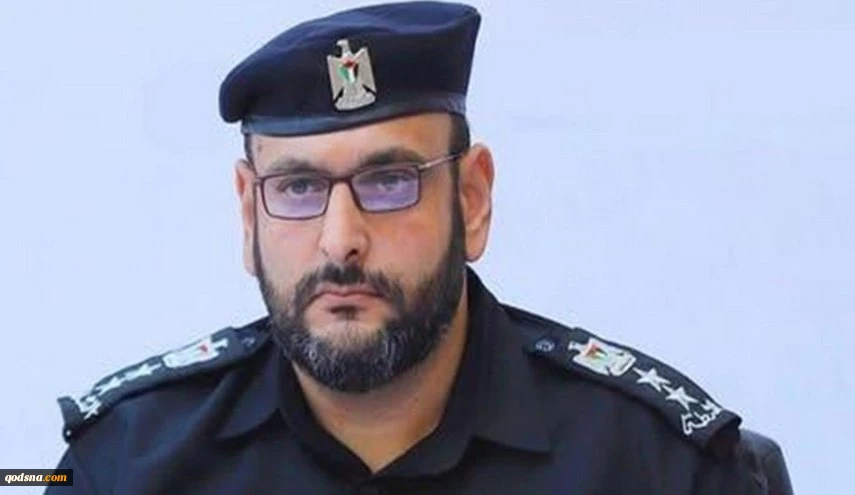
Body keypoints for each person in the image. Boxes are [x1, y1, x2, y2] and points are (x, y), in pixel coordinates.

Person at [46, 2, 793, 494]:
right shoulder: (121, 465)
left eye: (388, 181)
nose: (341, 240)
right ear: (249, 213)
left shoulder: (664, 468)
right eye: (299, 187)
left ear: (471, 199)